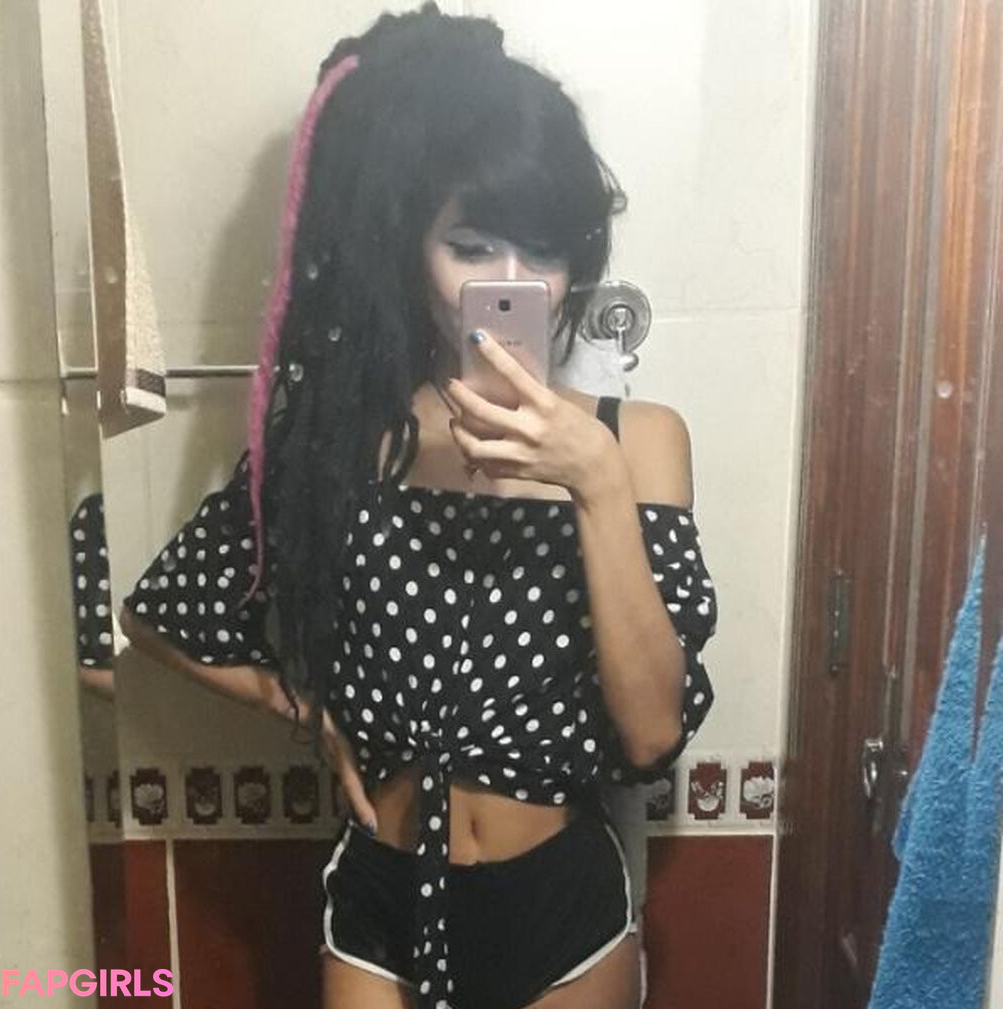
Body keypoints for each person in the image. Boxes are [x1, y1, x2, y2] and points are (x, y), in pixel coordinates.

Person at [119, 6, 717, 1009]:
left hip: (560, 910)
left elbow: (653, 733)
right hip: (381, 898)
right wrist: (304, 706)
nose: (513, 286)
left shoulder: (639, 439)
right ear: (413, 250)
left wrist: (597, 481)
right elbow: (161, 613)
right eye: (471, 246)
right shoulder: (344, 434)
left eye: (543, 251)